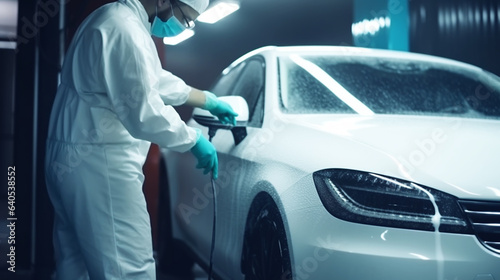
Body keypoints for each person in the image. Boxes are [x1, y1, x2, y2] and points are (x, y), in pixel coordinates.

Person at [44, 0, 237, 278]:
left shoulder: (113, 17)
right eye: (185, 18)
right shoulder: (125, 29)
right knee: (128, 269)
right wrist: (193, 140)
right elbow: (144, 112)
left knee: (75, 266)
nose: (182, 26)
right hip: (100, 165)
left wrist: (206, 100)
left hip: (71, 157)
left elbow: (149, 79)